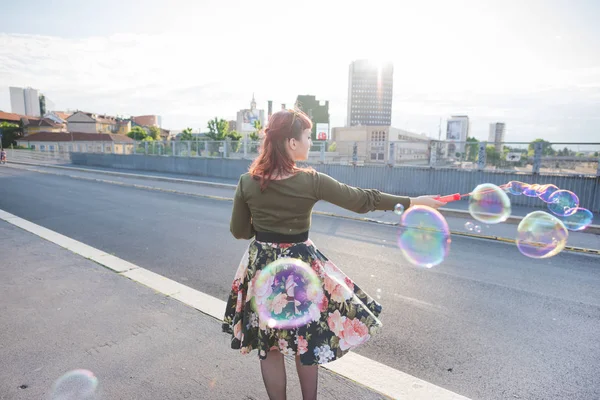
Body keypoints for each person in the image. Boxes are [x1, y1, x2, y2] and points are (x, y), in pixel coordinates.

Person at [222, 109, 446, 400]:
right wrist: (414, 202)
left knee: (271, 347)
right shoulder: (311, 181)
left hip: (263, 271)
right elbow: (363, 200)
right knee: (306, 343)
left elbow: (239, 231)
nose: (310, 143)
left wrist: (265, 228)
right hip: (300, 273)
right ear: (291, 142)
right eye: (307, 137)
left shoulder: (247, 182)